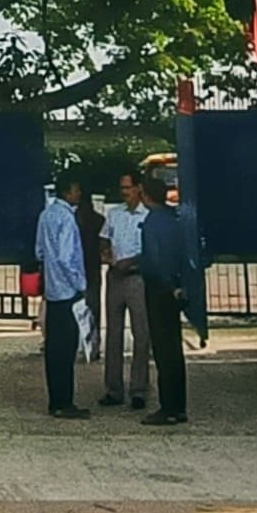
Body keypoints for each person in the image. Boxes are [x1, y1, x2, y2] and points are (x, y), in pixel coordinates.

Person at [137, 172, 205, 426]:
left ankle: (168, 408)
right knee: (174, 349)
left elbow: (155, 259)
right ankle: (179, 405)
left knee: (163, 350)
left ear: (145, 195)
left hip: (158, 289)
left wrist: (166, 283)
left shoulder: (152, 222)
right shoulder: (175, 220)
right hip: (175, 287)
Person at [34, 174, 89, 419]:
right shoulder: (67, 218)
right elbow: (67, 257)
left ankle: (55, 399)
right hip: (67, 291)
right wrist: (80, 283)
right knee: (67, 349)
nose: (79, 194)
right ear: (69, 192)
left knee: (54, 349)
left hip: (52, 290)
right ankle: (65, 402)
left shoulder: (46, 215)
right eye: (77, 189)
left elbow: (39, 251)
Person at [98, 167, 150, 409]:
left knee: (141, 334)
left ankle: (138, 389)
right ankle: (113, 389)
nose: (125, 192)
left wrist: (132, 262)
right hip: (115, 276)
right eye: (122, 189)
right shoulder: (115, 213)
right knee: (114, 334)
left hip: (137, 277)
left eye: (128, 188)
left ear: (139, 188)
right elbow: (105, 237)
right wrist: (106, 253)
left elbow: (151, 250)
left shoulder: (147, 215)